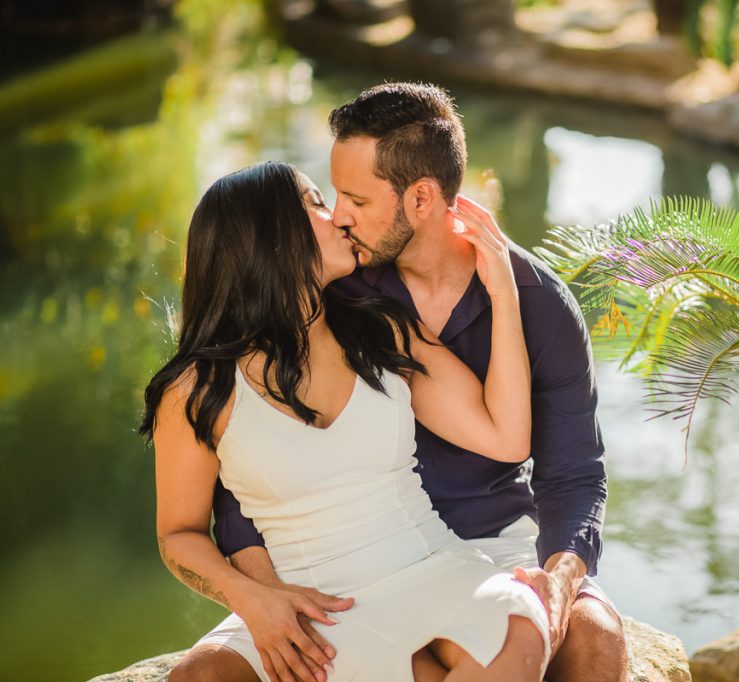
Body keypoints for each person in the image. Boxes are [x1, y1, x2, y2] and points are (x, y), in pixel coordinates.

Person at [177, 82, 627, 682]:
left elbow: (573, 473)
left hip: (491, 541)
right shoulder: (334, 287)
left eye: (355, 199)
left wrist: (562, 578)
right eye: (331, 196)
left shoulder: (538, 303)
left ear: (420, 199)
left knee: (594, 639)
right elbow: (247, 453)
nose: (339, 216)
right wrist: (263, 595)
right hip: (337, 557)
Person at [141, 160, 552, 681]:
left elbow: (507, 435)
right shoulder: (197, 389)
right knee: (196, 678)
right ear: (272, 238)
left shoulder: (382, 331)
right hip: (303, 606)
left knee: (518, 625)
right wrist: (255, 600)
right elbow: (179, 534)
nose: (337, 216)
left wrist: (503, 291)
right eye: (314, 204)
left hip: (428, 568)